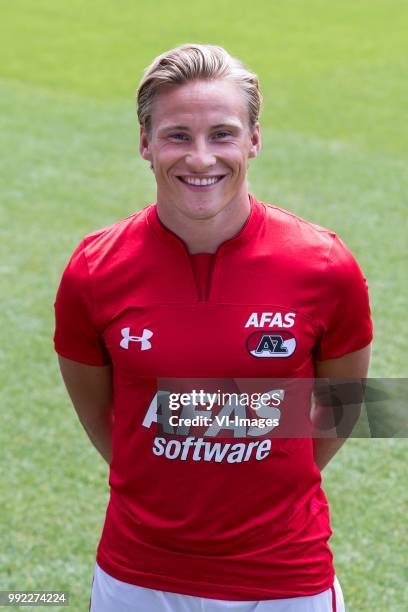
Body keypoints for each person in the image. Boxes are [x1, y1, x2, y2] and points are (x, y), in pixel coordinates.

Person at [54, 44, 373, 611]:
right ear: (146, 143)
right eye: (178, 135)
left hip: (284, 577)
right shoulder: (94, 270)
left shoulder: (324, 265)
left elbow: (342, 409)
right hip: (137, 575)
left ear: (253, 140)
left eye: (222, 134)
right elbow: (106, 420)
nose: (201, 158)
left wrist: (265, 470)